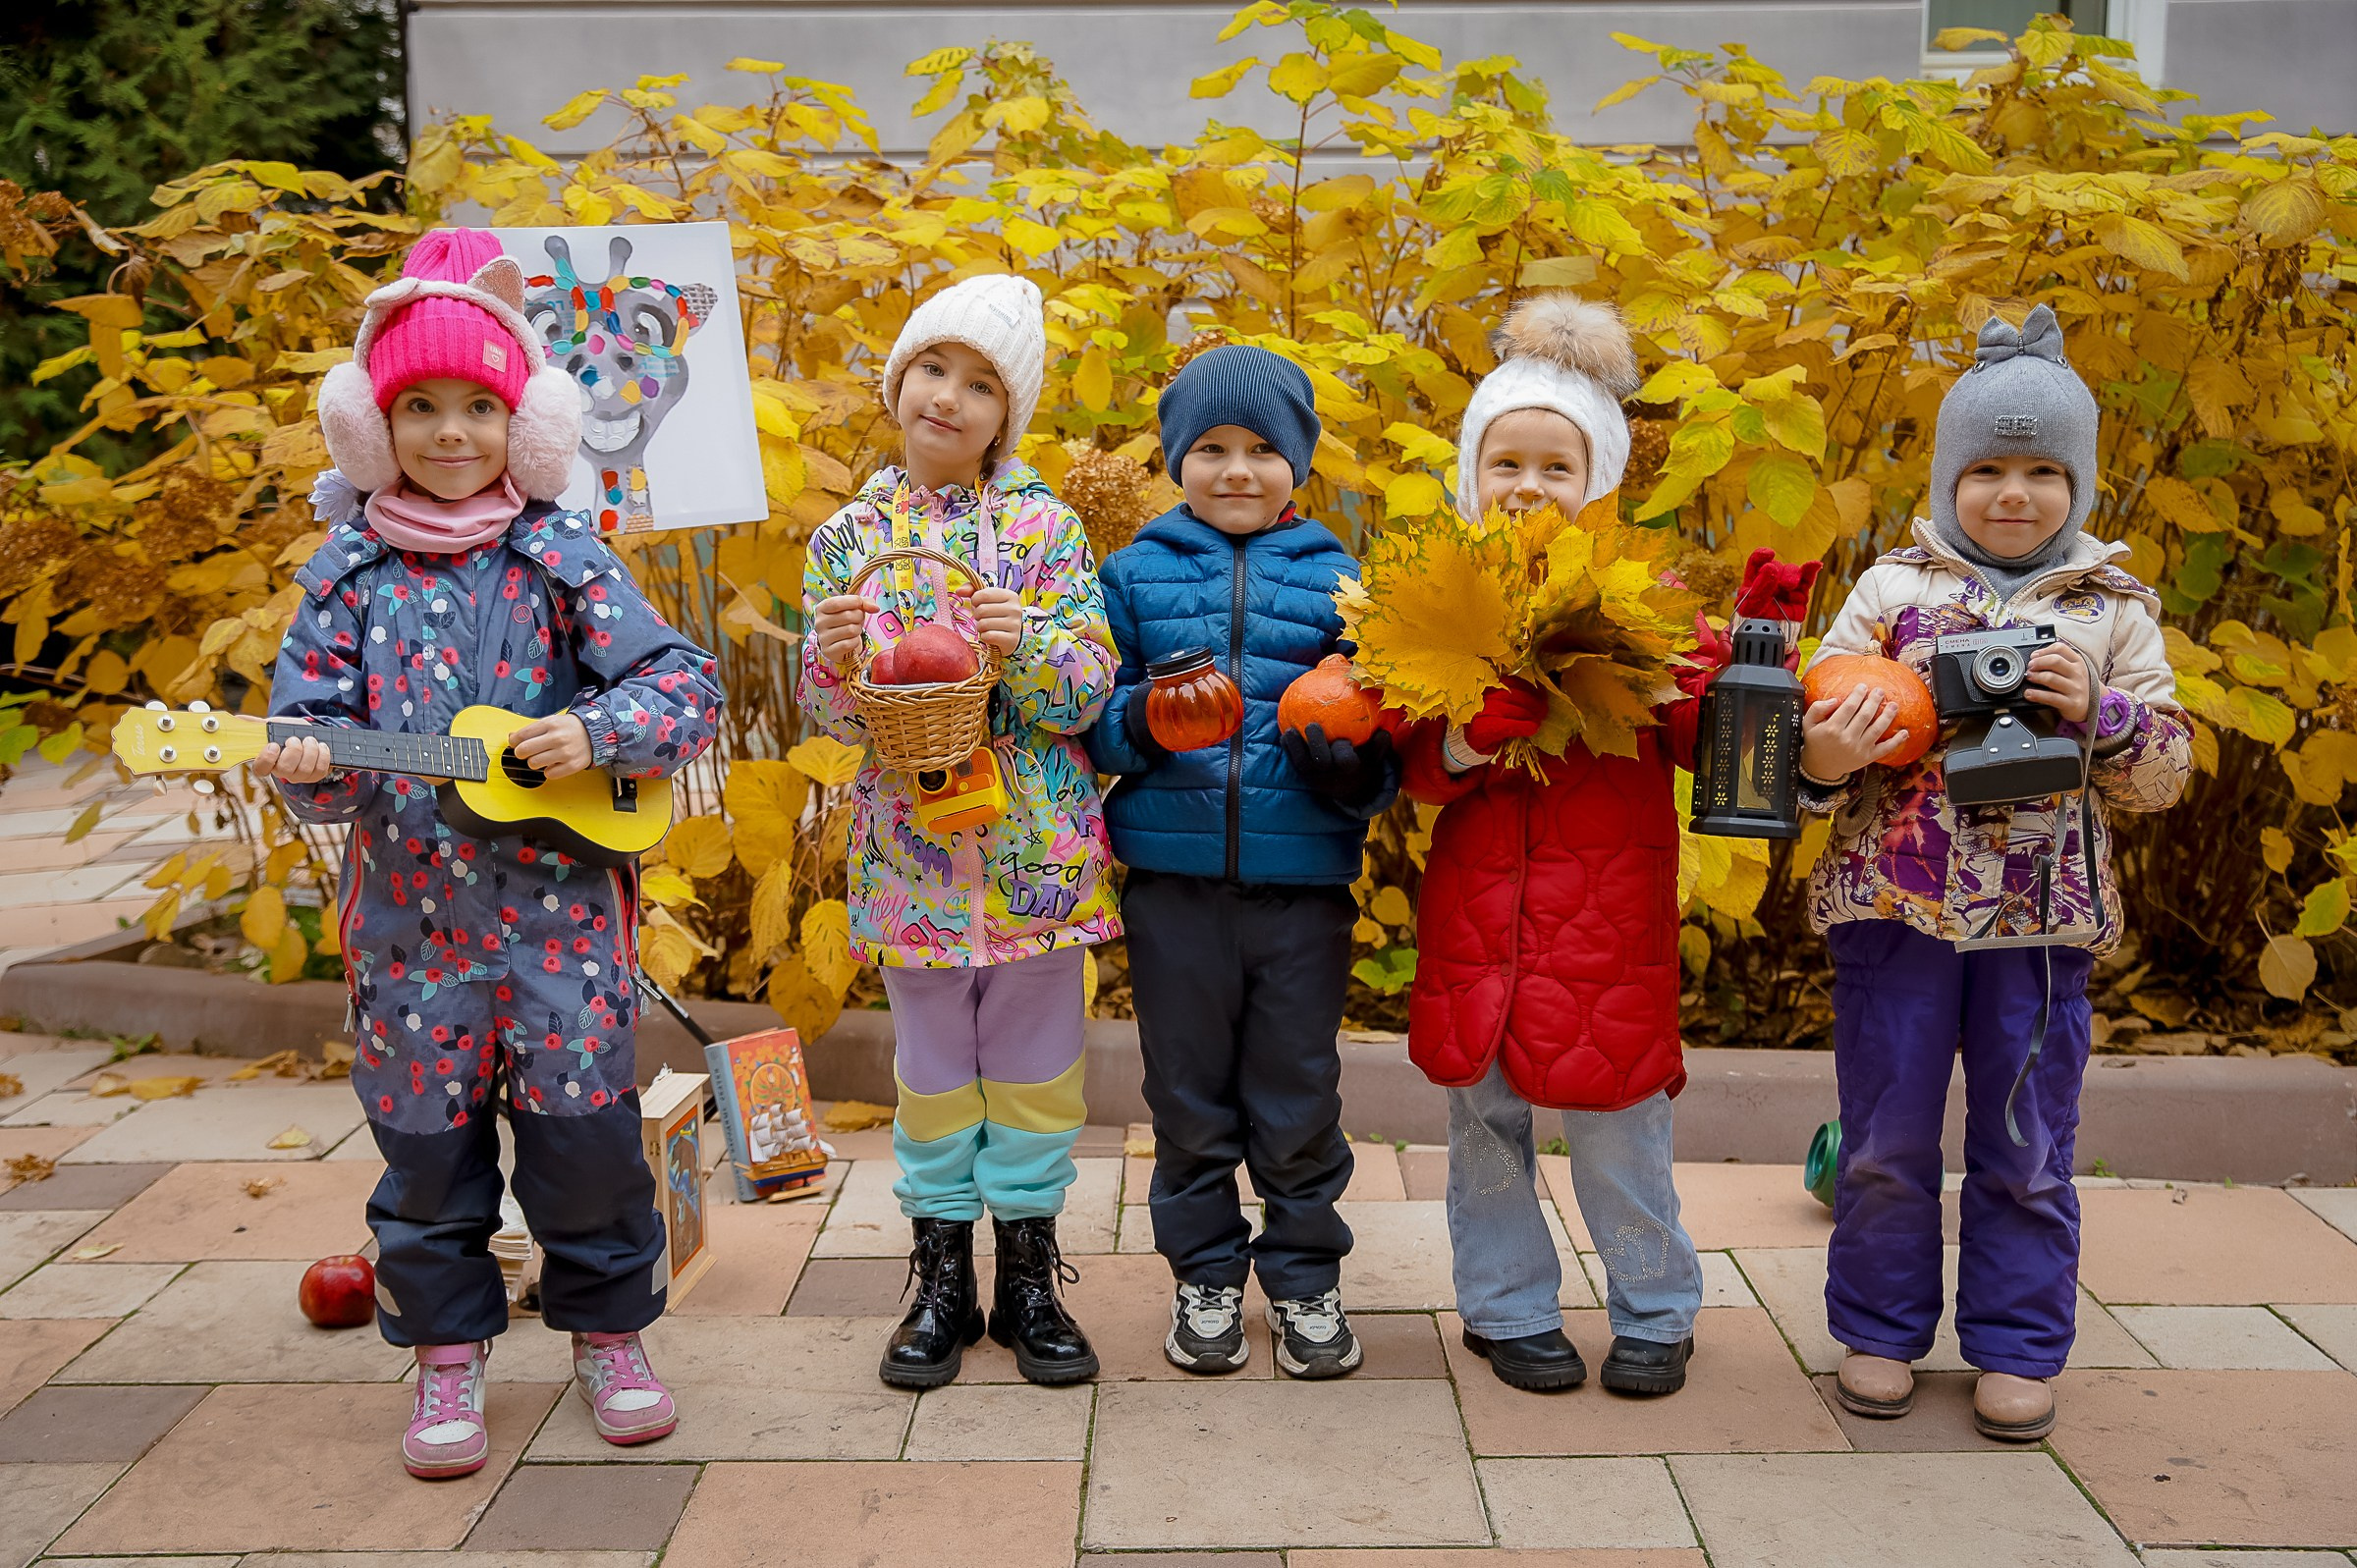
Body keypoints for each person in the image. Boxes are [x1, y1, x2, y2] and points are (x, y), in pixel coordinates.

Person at [257, 228, 724, 1479]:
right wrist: (313, 765)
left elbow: (685, 687)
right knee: (425, 1156)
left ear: (525, 423)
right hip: (410, 932)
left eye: (478, 405)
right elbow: (316, 737)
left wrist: (595, 732)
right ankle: (447, 1352)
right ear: (373, 427)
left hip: (562, 923)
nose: (450, 432)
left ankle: (610, 1337)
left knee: (587, 1147)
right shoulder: (347, 575)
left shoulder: (562, 555)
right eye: (419, 407)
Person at [1399, 294, 1812, 1398]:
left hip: (1605, 931)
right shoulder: (1442, 596)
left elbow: (1701, 735)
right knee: (1485, 1134)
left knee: (1620, 1134)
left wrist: (1754, 656)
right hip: (1479, 928)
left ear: (1598, 480)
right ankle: (1508, 1307)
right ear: (1471, 475)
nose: (1528, 486)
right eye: (1506, 463)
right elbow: (1406, 758)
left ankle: (1654, 1307)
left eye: (1556, 466)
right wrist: (1465, 737)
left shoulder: (1646, 605)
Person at [1799, 304, 2191, 1441]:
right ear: (1947, 478)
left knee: (2027, 1147)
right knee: (1886, 1137)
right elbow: (1812, 743)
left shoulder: (2112, 613)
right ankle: (1879, 1329)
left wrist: (2103, 713)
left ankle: (2018, 1345)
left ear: (2078, 483)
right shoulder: (1889, 594)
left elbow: (2165, 774)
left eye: (2041, 472)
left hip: (2042, 927)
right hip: (1894, 913)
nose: (2012, 494)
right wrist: (1830, 753)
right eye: (1985, 470)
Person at [800, 273, 1121, 1389]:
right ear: (899, 383)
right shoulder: (848, 541)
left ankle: (1028, 1271)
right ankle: (943, 1275)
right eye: (933, 368)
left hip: (1036, 863)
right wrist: (836, 661)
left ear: (1006, 416)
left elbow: (1083, 691)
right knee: (933, 1077)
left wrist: (1023, 640)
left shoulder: (1044, 529)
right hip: (913, 860)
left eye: (981, 385)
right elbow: (836, 717)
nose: (949, 396)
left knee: (1036, 1073)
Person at [1085, 344, 1399, 1379]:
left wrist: (1354, 769)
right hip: (1172, 885)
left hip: (1301, 885)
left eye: (1262, 449)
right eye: (1211, 448)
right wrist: (1144, 720)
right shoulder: (1133, 575)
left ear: (1296, 462)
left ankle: (1305, 1275)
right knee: (1186, 1093)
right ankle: (1206, 1273)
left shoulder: (1342, 582)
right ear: (1177, 458)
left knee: (1298, 1090)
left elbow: (1380, 733)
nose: (1236, 469)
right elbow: (1095, 727)